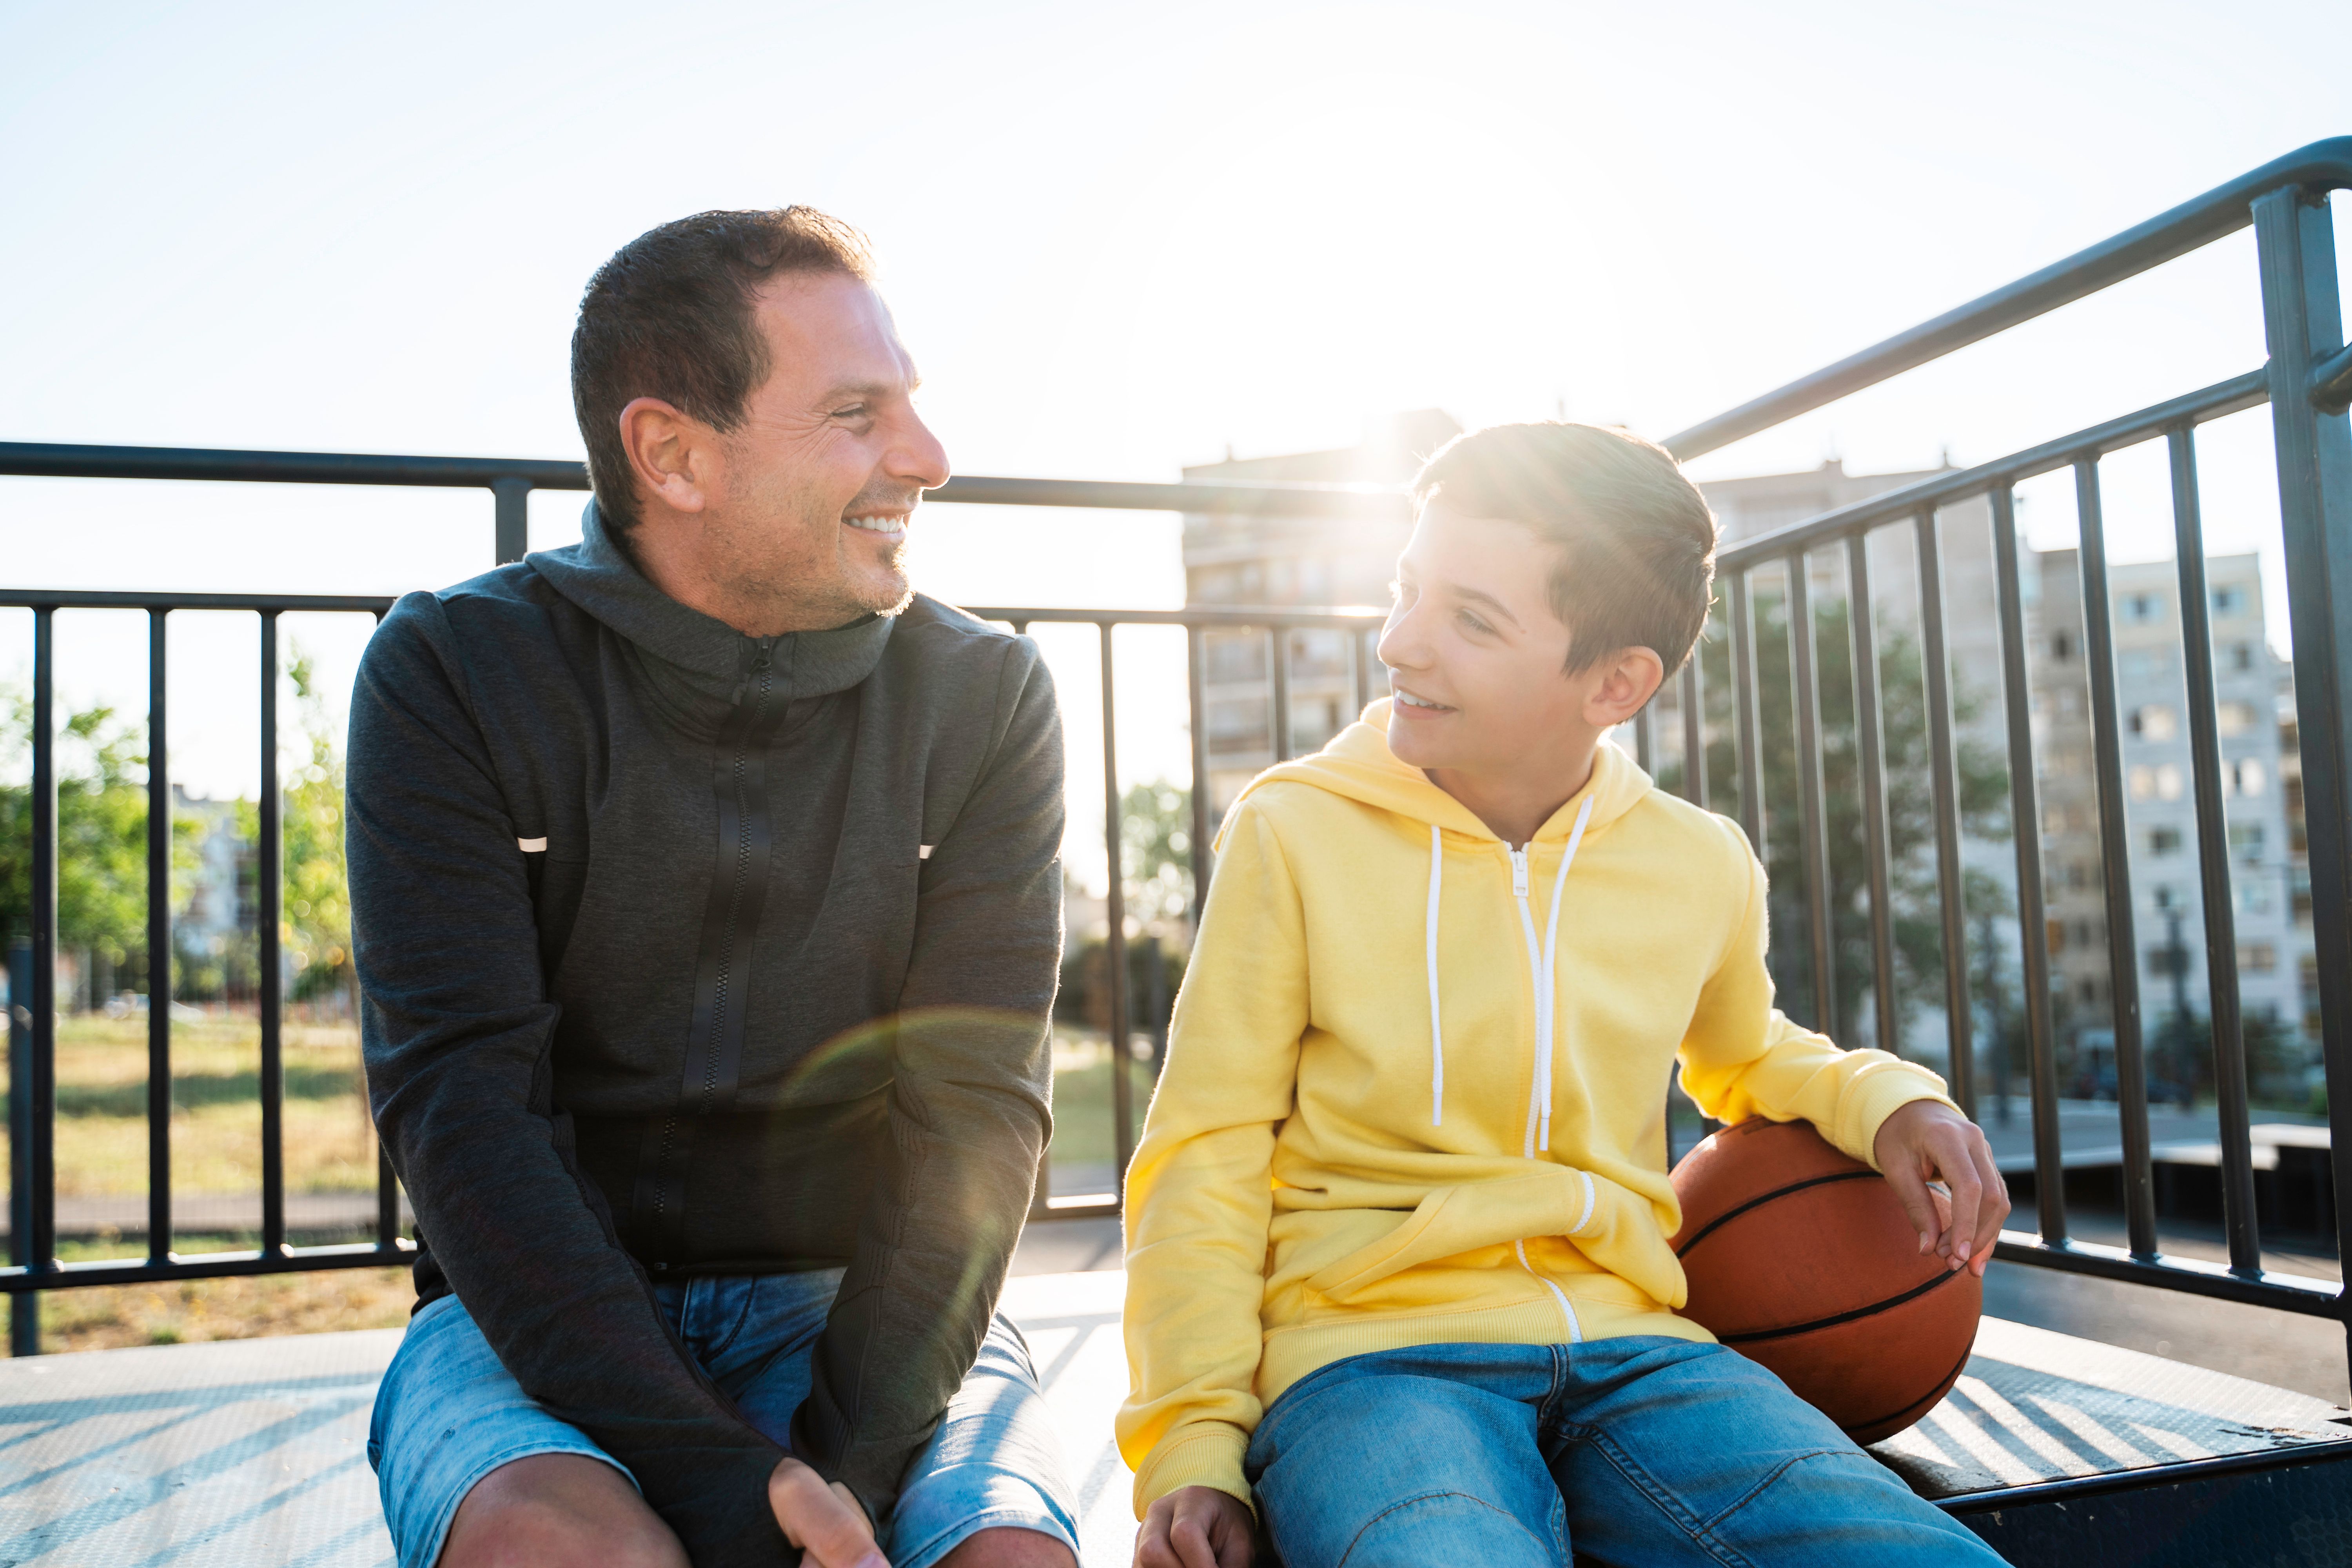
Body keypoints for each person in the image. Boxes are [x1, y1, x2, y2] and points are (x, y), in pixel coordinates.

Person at [1117, 422, 2013, 1568]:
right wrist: (1192, 1441)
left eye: (1470, 620)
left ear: (1614, 683)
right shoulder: (1292, 832)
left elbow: (1745, 1056)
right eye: (1407, 590)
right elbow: (1205, 1148)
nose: (1400, 642)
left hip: (1644, 1354)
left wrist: (1894, 1102)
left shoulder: (1699, 861)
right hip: (1367, 1363)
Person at [351, 208, 1078, 1568]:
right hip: (529, 1318)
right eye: (858, 414)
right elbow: (462, 1108)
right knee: (578, 1554)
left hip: (866, 1314)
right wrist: (720, 1483)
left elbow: (977, 1123)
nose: (926, 458)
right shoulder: (450, 671)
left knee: (1006, 1562)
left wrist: (838, 1476)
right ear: (673, 456)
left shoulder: (987, 699)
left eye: (910, 405)